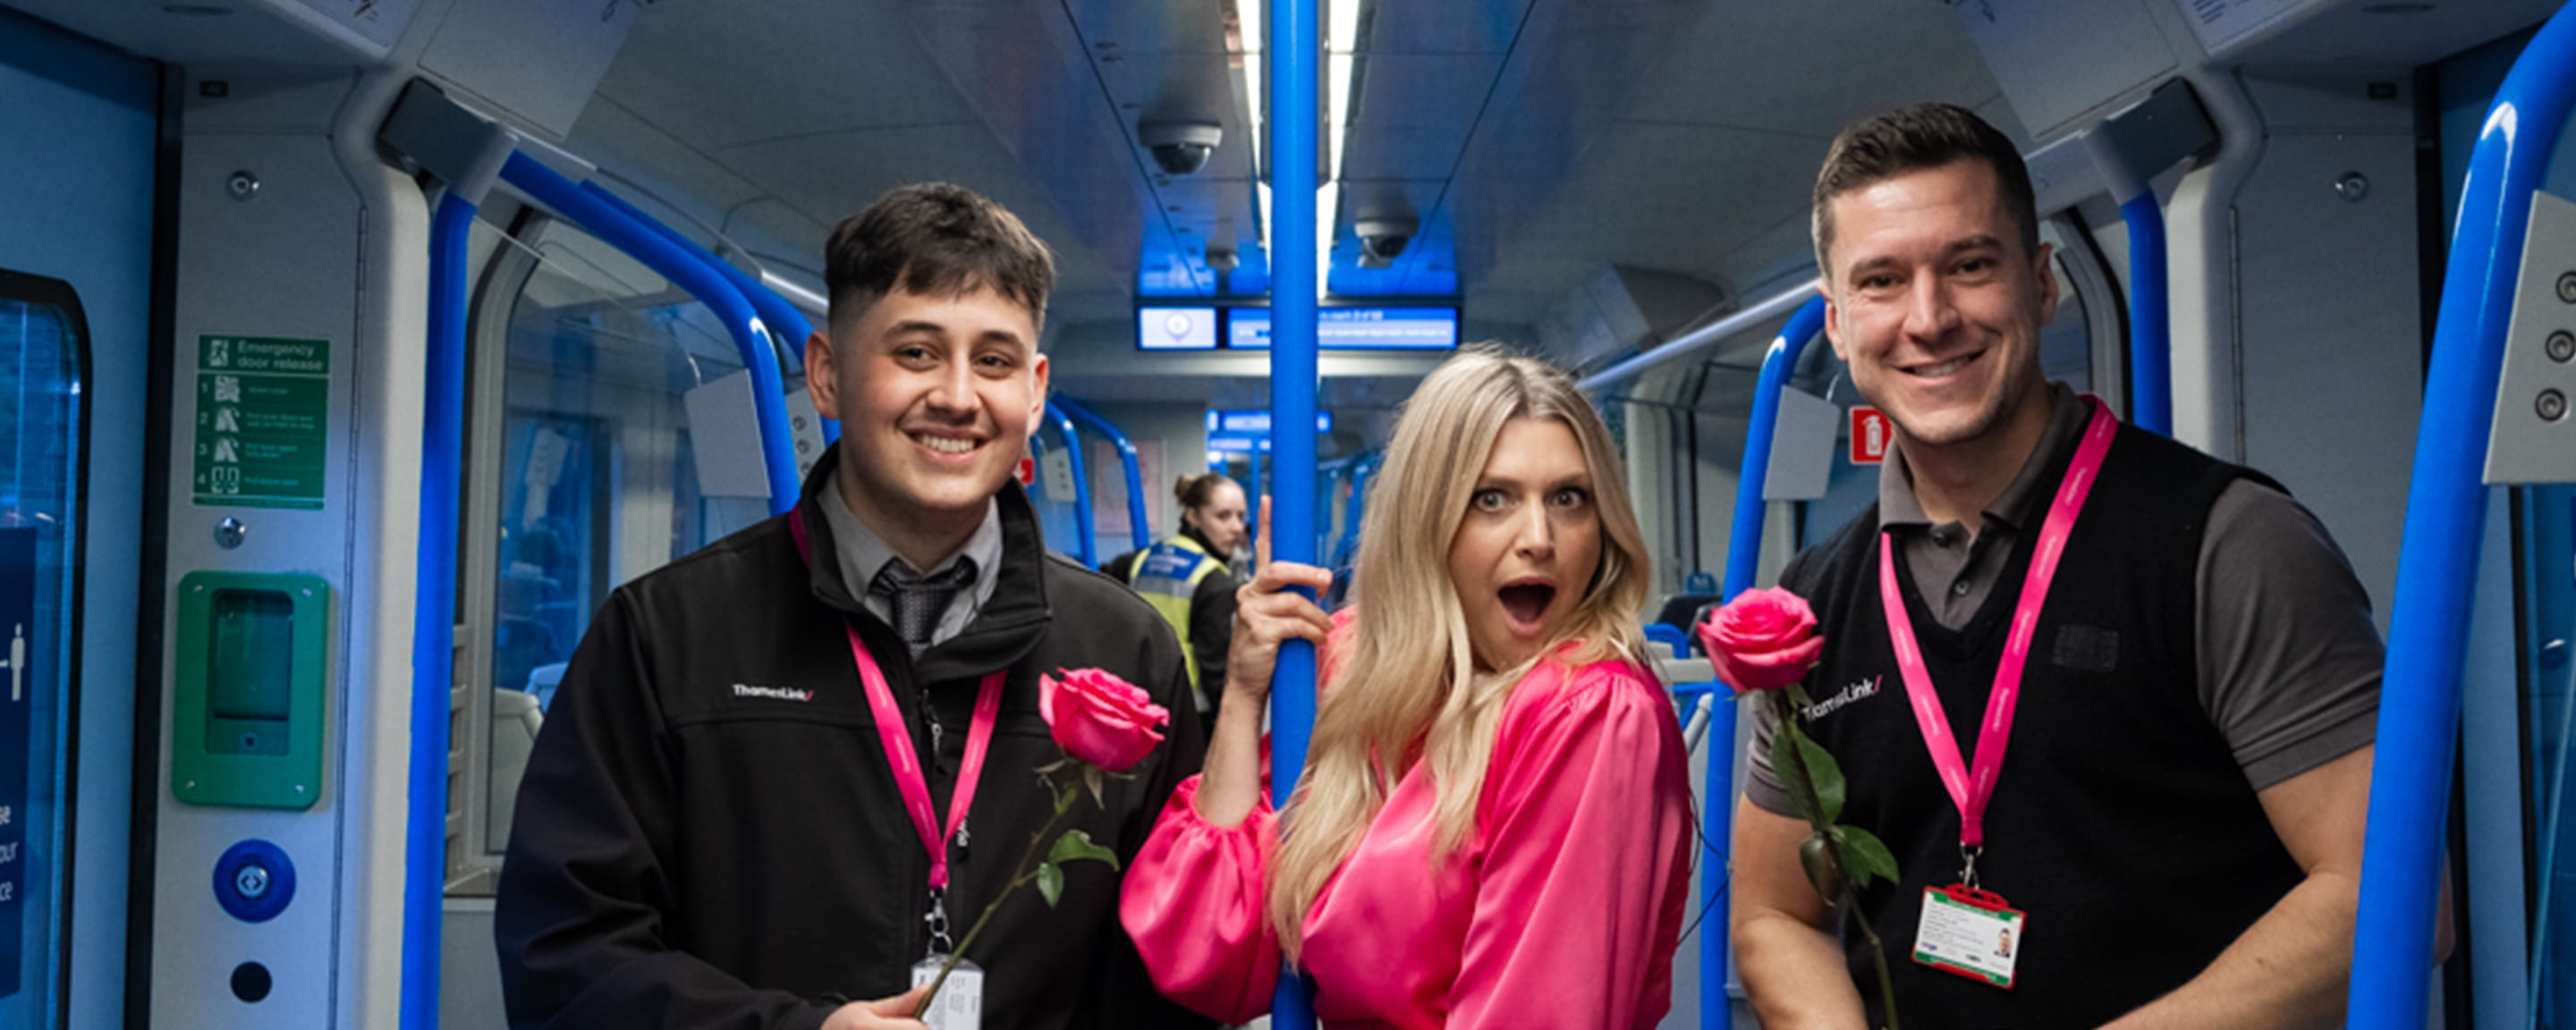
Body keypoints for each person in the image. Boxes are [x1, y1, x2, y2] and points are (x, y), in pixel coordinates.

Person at [1730, 102, 2410, 1029]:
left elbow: (2393, 895)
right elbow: (1775, 914)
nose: (1928, 319)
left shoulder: (2226, 544)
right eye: (1881, 283)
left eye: (1970, 266)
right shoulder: (1808, 610)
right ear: (1840, 327)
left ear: (2042, 284)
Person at [496, 182, 1212, 1030]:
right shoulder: (667, 638)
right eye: (915, 352)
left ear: (1037, 389)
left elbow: (1164, 978)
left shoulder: (1125, 652)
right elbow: (567, 960)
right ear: (827, 374)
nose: (957, 395)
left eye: (994, 360)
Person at [1120, 349, 1697, 1028]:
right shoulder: (1359, 662)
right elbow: (1208, 952)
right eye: (1493, 499)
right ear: (1429, 522)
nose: (1539, 538)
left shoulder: (1591, 715)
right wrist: (1245, 699)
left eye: (1569, 499)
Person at [1103, 473, 1250, 730]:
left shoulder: (1136, 562)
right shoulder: (1213, 580)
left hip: (1134, 709)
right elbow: (1215, 670)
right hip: (1190, 717)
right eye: (1223, 516)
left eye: (1240, 516)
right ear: (1192, 516)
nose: (1237, 527)